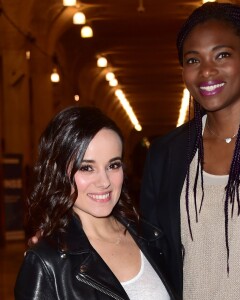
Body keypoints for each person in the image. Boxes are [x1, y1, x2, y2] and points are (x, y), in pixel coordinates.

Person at [140, 2, 240, 300]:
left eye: (222, 54)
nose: (206, 71)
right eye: (192, 60)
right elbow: (150, 251)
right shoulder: (166, 154)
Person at [14, 106, 176, 300]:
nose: (105, 181)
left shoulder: (152, 238)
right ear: (58, 173)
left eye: (113, 165)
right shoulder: (46, 263)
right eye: (87, 168)